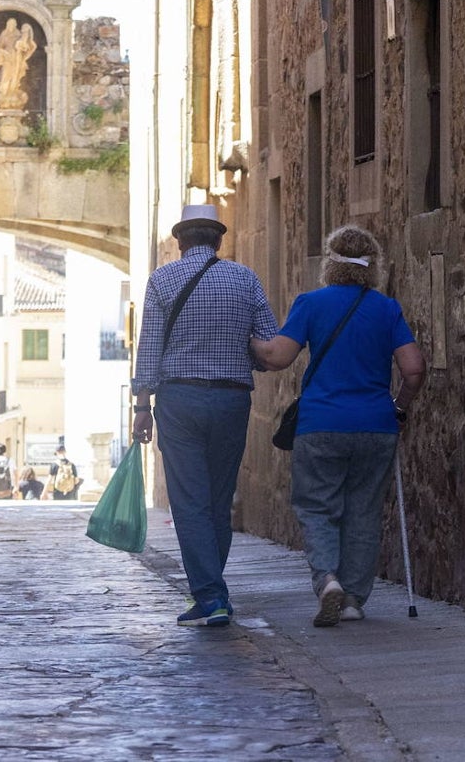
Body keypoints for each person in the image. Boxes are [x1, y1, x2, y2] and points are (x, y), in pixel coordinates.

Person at [251, 225, 426, 627]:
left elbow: (277, 357)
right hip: (376, 426)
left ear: (330, 264)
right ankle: (352, 601)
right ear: (373, 267)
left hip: (321, 424)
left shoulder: (311, 303)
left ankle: (327, 579)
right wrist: (399, 407)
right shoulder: (387, 308)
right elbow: (414, 369)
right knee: (363, 511)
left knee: (317, 507)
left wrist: (248, 340)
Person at [132, 203, 279, 627]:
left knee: (190, 502)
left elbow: (149, 350)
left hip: (180, 401)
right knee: (218, 499)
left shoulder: (161, 280)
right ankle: (212, 589)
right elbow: (268, 345)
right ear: (218, 241)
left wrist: (143, 407)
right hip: (232, 400)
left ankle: (211, 595)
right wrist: (236, 352)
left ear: (180, 242)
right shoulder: (244, 278)